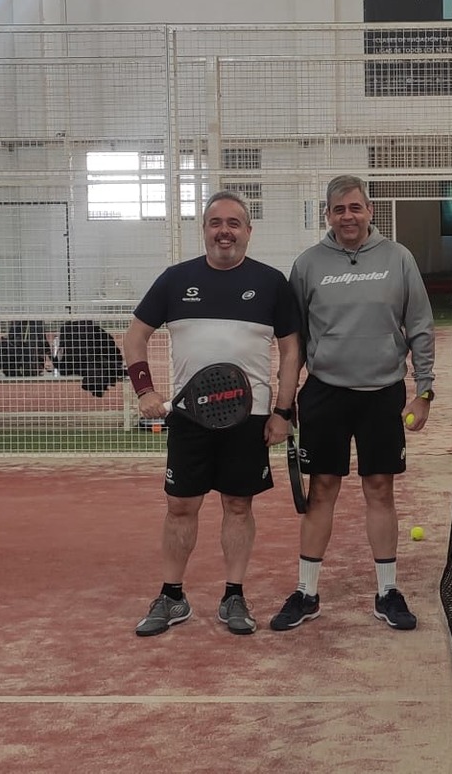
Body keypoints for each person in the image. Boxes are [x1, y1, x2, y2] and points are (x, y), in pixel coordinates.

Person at [123, 191, 301, 638]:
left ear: (248, 231)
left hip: (249, 417)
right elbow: (135, 337)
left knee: (238, 505)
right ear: (204, 230)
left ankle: (233, 596)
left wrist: (282, 412)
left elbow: (291, 351)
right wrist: (145, 390)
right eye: (215, 223)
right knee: (180, 506)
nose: (225, 231)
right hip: (190, 419)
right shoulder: (175, 280)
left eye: (233, 223)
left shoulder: (271, 283)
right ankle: (172, 596)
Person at [272, 174, 436, 633]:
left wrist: (424, 389)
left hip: (383, 393)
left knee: (379, 488)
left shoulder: (398, 258)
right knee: (322, 488)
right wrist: (286, 402)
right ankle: (307, 593)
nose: (348, 216)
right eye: (339, 209)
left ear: (370, 211)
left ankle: (387, 592)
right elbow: (294, 340)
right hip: (325, 393)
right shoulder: (308, 265)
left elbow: (420, 326)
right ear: (327, 214)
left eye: (355, 207)